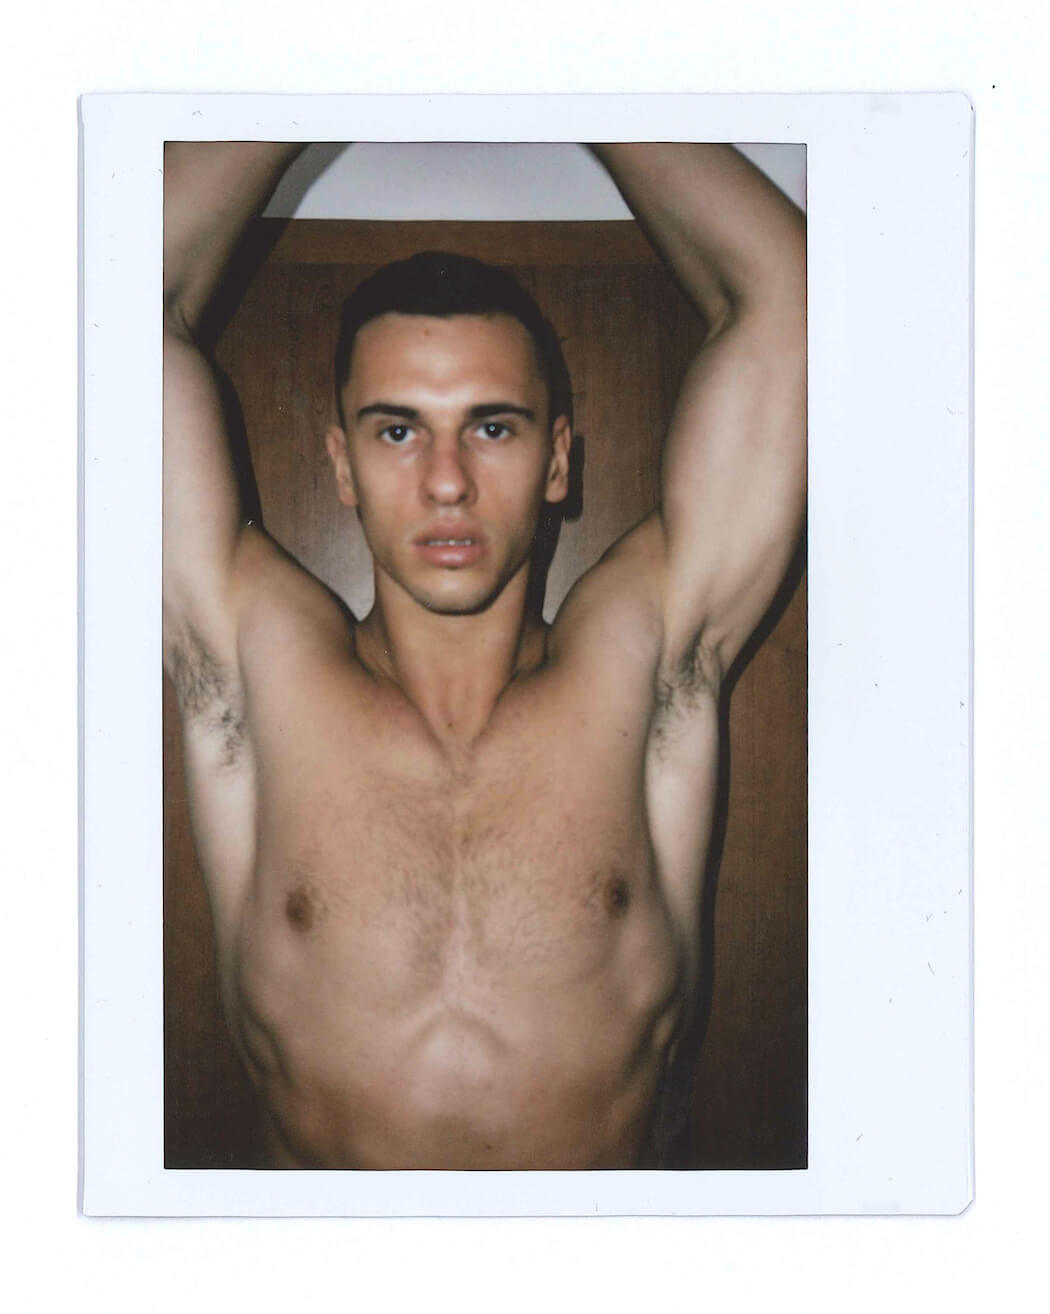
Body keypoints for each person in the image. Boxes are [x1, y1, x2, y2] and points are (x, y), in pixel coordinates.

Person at [162, 141, 807, 1170]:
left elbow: (794, 301)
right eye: (397, 432)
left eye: (493, 428)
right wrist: (296, 68)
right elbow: (94, 298)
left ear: (558, 460)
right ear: (341, 464)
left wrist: (575, 64)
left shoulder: (641, 664)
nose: (448, 482)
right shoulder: (256, 662)